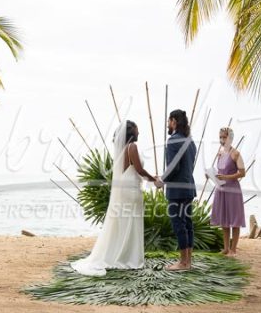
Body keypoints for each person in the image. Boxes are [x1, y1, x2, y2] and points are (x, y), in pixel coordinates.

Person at [72, 120, 155, 276]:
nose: (139, 133)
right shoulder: (132, 147)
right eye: (137, 130)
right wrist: (154, 179)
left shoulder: (122, 149)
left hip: (125, 187)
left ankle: (124, 255)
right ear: (131, 133)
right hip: (131, 189)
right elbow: (139, 169)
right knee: (132, 221)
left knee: (125, 222)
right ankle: (130, 258)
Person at [154, 109, 196, 271]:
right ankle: (188, 262)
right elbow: (186, 167)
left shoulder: (173, 141)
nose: (167, 124)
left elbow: (173, 167)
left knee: (179, 225)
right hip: (189, 187)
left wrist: (161, 181)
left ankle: (183, 263)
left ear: (174, 121)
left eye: (168, 121)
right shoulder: (190, 141)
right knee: (187, 224)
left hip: (177, 190)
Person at [208, 127, 246, 256]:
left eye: (224, 137)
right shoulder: (220, 153)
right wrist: (211, 175)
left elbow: (242, 173)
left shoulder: (235, 153)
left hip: (233, 190)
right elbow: (220, 172)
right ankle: (225, 248)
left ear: (230, 138)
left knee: (234, 220)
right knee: (224, 219)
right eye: (220, 137)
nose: (221, 140)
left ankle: (233, 249)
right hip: (221, 188)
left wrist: (226, 177)